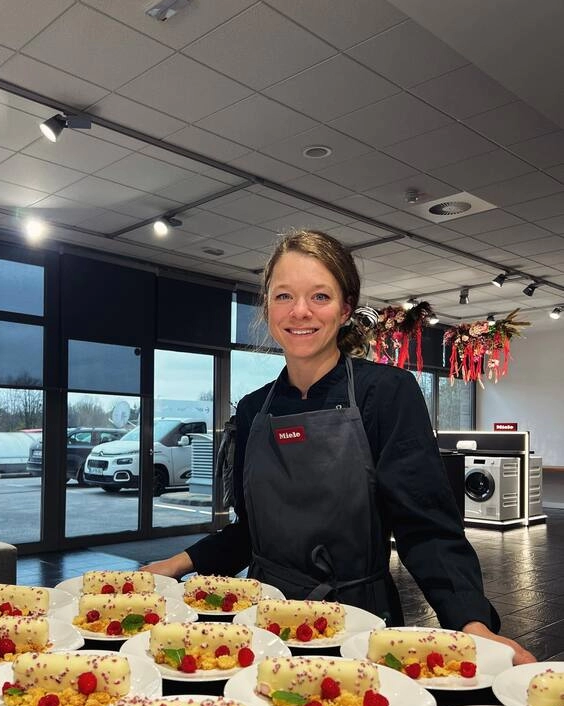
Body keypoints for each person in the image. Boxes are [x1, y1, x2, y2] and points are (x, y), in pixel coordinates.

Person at [143, 230, 534, 665]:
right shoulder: (254, 409)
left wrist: (470, 622)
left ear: (346, 308)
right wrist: (176, 564)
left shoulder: (385, 394)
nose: (300, 311)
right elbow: (251, 532)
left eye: (320, 296)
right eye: (284, 296)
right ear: (267, 307)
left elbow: (426, 528)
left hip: (358, 624)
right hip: (265, 624)